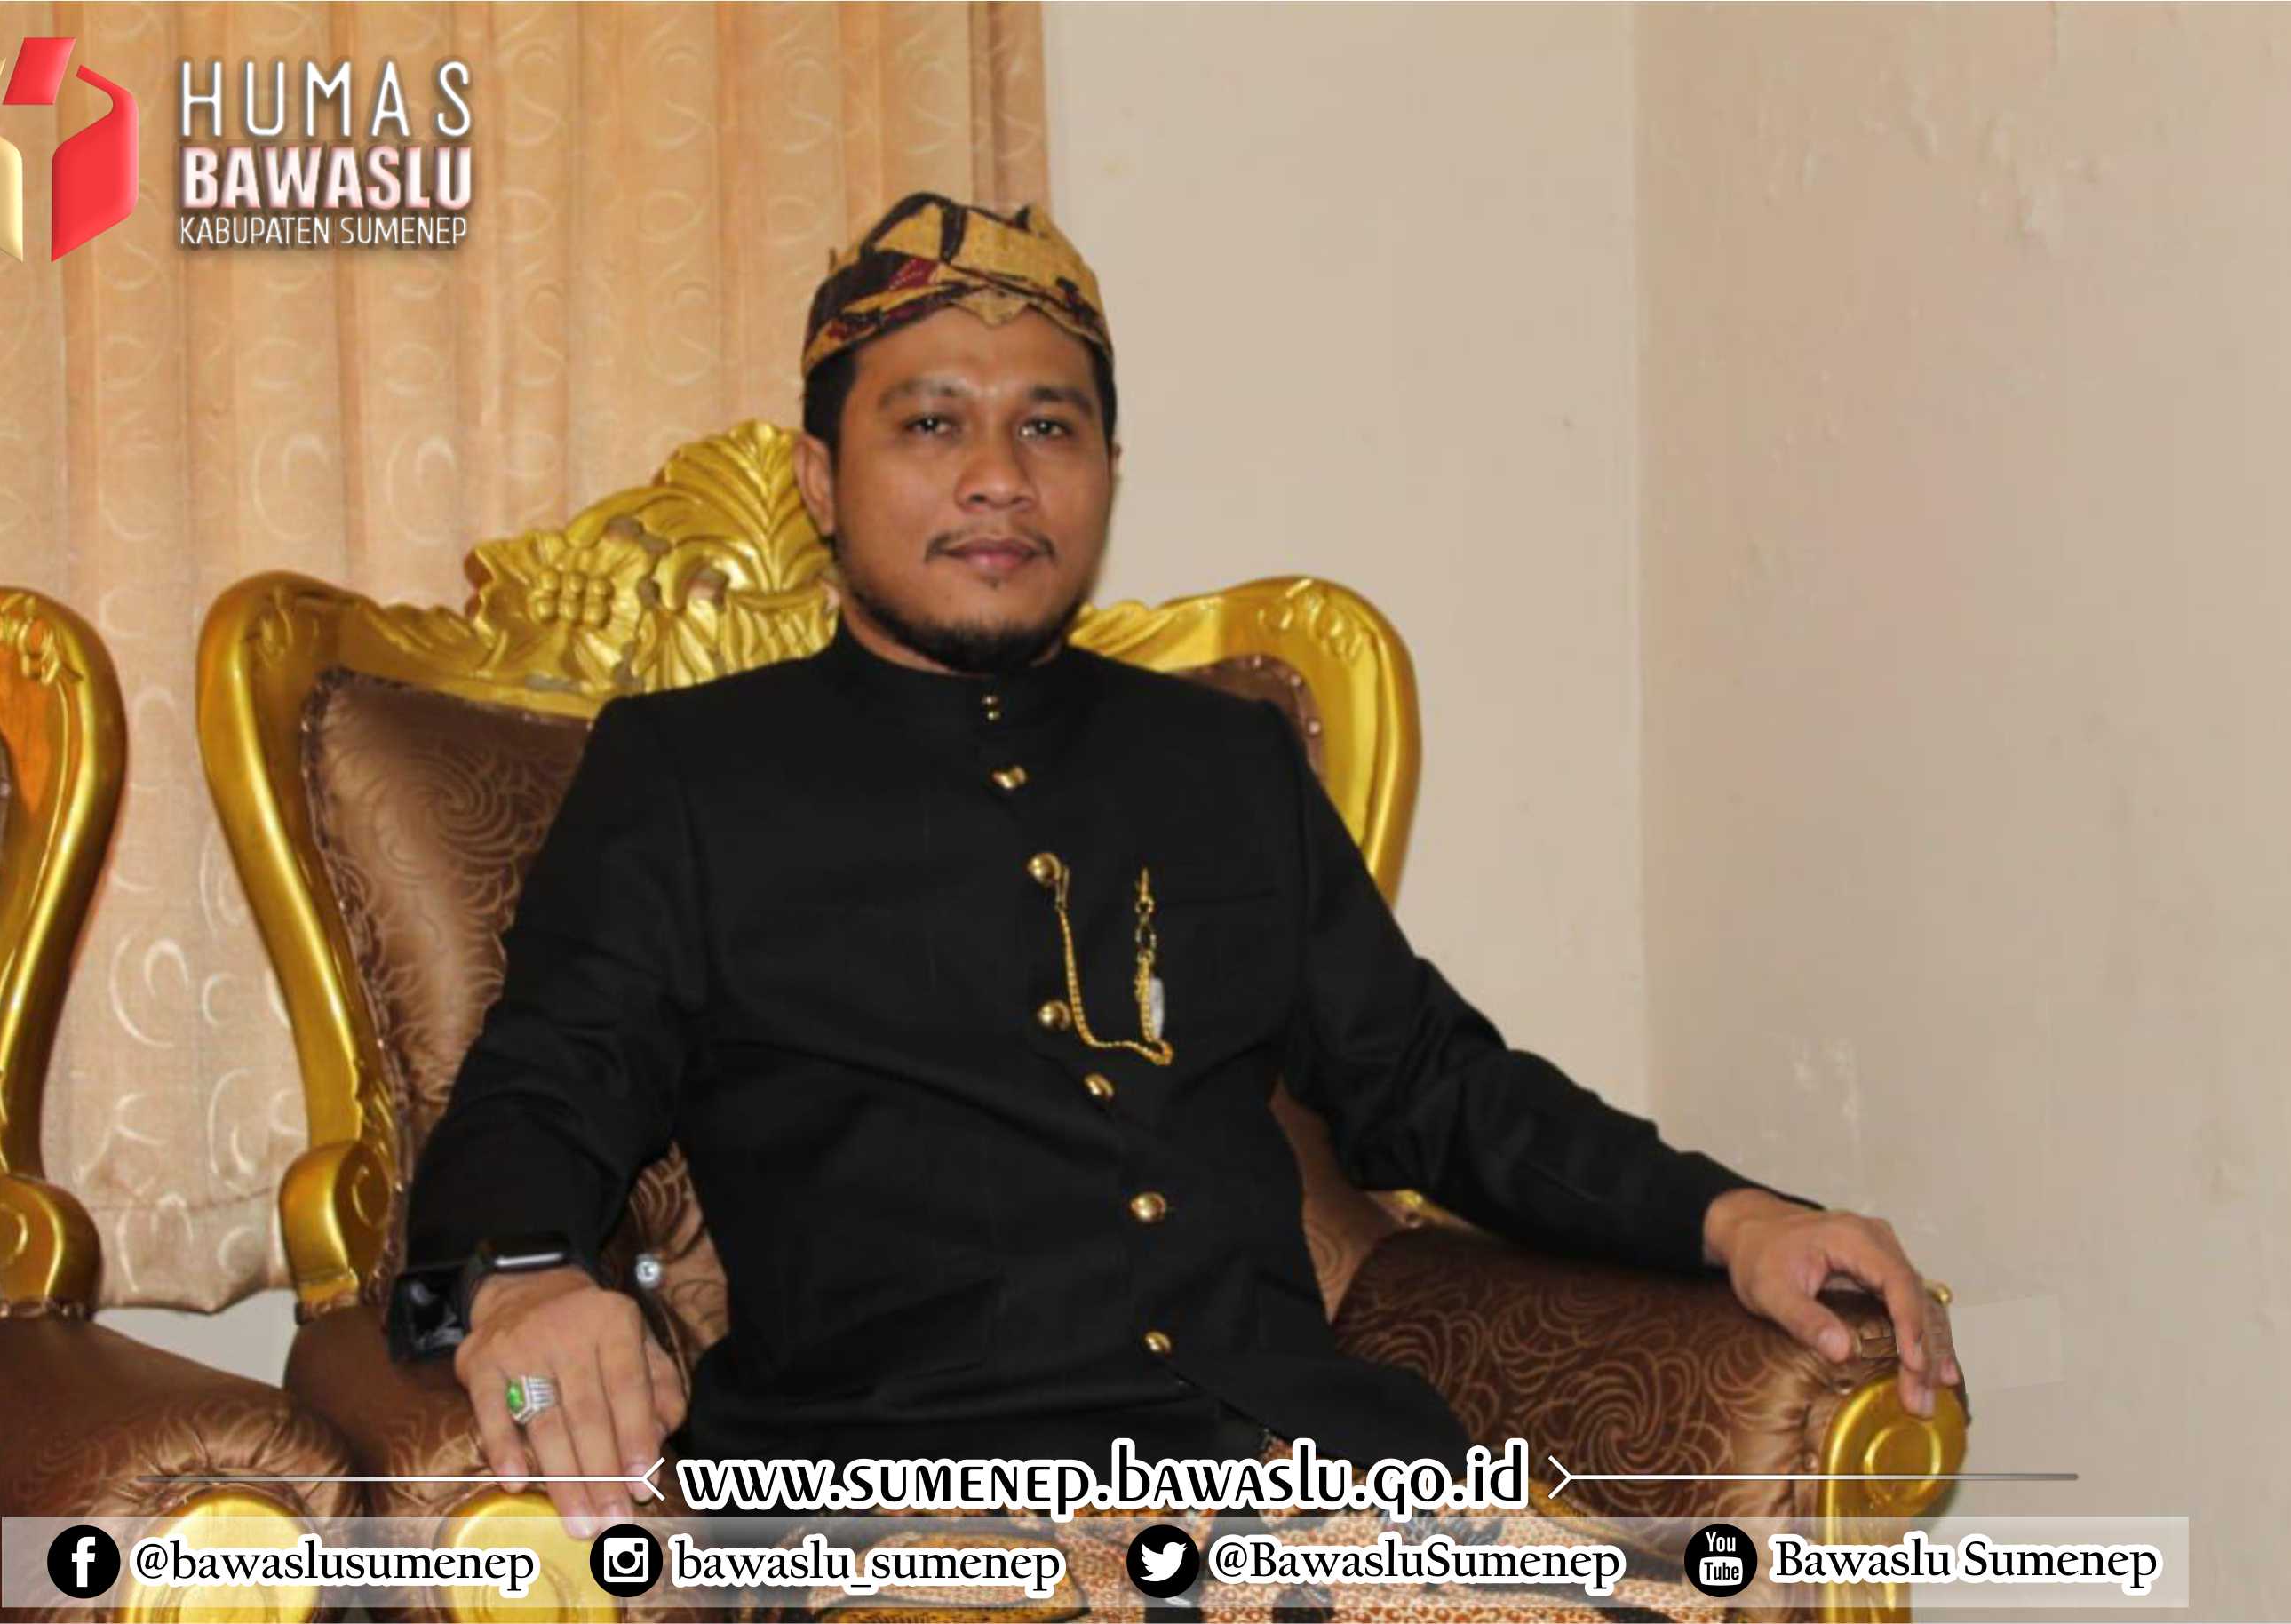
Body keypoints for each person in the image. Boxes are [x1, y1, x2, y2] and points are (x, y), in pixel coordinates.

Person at [388, 192, 1961, 1541]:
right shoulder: (689, 774)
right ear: (818, 479)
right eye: (930, 423)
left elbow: (1428, 1082)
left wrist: (1732, 1218)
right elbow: (546, 1084)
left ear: (1106, 471)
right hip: (910, 1502)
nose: (998, 475)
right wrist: (522, 1284)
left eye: (1048, 426)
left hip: (1302, 1476)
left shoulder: (1218, 762)